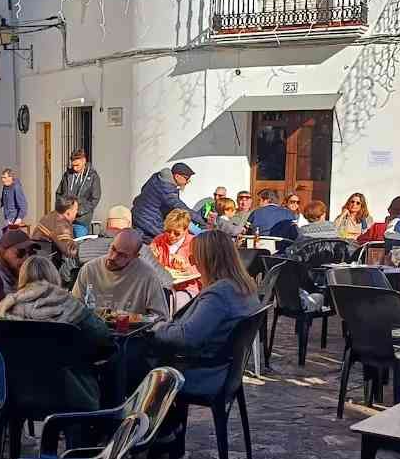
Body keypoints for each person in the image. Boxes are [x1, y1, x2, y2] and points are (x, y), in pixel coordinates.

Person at [145, 229, 260, 397]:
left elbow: (187, 338)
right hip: (225, 369)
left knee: (133, 363)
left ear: (208, 259)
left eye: (194, 257)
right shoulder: (244, 286)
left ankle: (141, 411)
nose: (192, 262)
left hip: (203, 372)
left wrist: (156, 327)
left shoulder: (220, 294)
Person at [0, 256, 113, 411]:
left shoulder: (6, 308)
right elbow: (103, 337)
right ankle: (112, 418)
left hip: (14, 393)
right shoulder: (69, 304)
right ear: (54, 275)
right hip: (69, 393)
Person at [72, 228, 171, 320]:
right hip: (94, 328)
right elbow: (73, 308)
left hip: (131, 331)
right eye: (113, 249)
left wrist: (136, 318)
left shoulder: (148, 276)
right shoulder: (90, 269)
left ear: (135, 256)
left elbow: (161, 318)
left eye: (122, 255)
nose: (113, 257)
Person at [131, 162, 207, 240]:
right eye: (187, 178)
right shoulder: (167, 189)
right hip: (148, 221)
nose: (188, 182)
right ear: (177, 176)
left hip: (137, 214)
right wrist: (203, 223)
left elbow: (144, 189)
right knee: (169, 239)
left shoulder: (157, 178)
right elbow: (182, 208)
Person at [54, 149, 101, 237]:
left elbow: (95, 199)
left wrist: (78, 211)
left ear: (84, 161)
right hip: (65, 219)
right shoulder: (67, 175)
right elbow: (59, 193)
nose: (75, 168)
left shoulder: (93, 176)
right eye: (73, 165)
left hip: (81, 220)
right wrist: (62, 210)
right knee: (62, 242)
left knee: (79, 243)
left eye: (77, 165)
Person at [32, 196, 81, 280]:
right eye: (76, 210)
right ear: (68, 213)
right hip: (49, 268)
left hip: (37, 262)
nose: (77, 212)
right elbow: (71, 252)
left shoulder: (50, 215)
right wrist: (82, 245)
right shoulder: (62, 226)